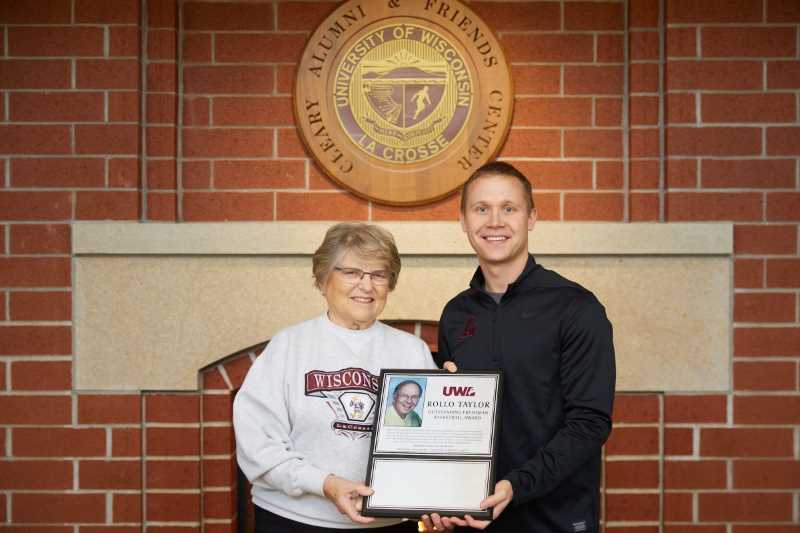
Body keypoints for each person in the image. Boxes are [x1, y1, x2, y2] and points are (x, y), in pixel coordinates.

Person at [424, 161, 616, 532]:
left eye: (508, 208)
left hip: (556, 519)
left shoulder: (576, 307)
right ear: (463, 221)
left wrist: (516, 485)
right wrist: (440, 496)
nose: (494, 221)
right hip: (475, 517)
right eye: (481, 209)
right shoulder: (456, 314)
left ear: (531, 218)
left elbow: (589, 424)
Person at [234, 223, 436, 533]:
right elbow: (257, 445)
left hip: (387, 524)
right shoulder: (289, 346)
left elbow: (433, 445)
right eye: (352, 272)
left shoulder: (412, 352)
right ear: (323, 278)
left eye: (378, 275)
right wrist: (324, 484)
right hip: (293, 521)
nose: (366, 286)